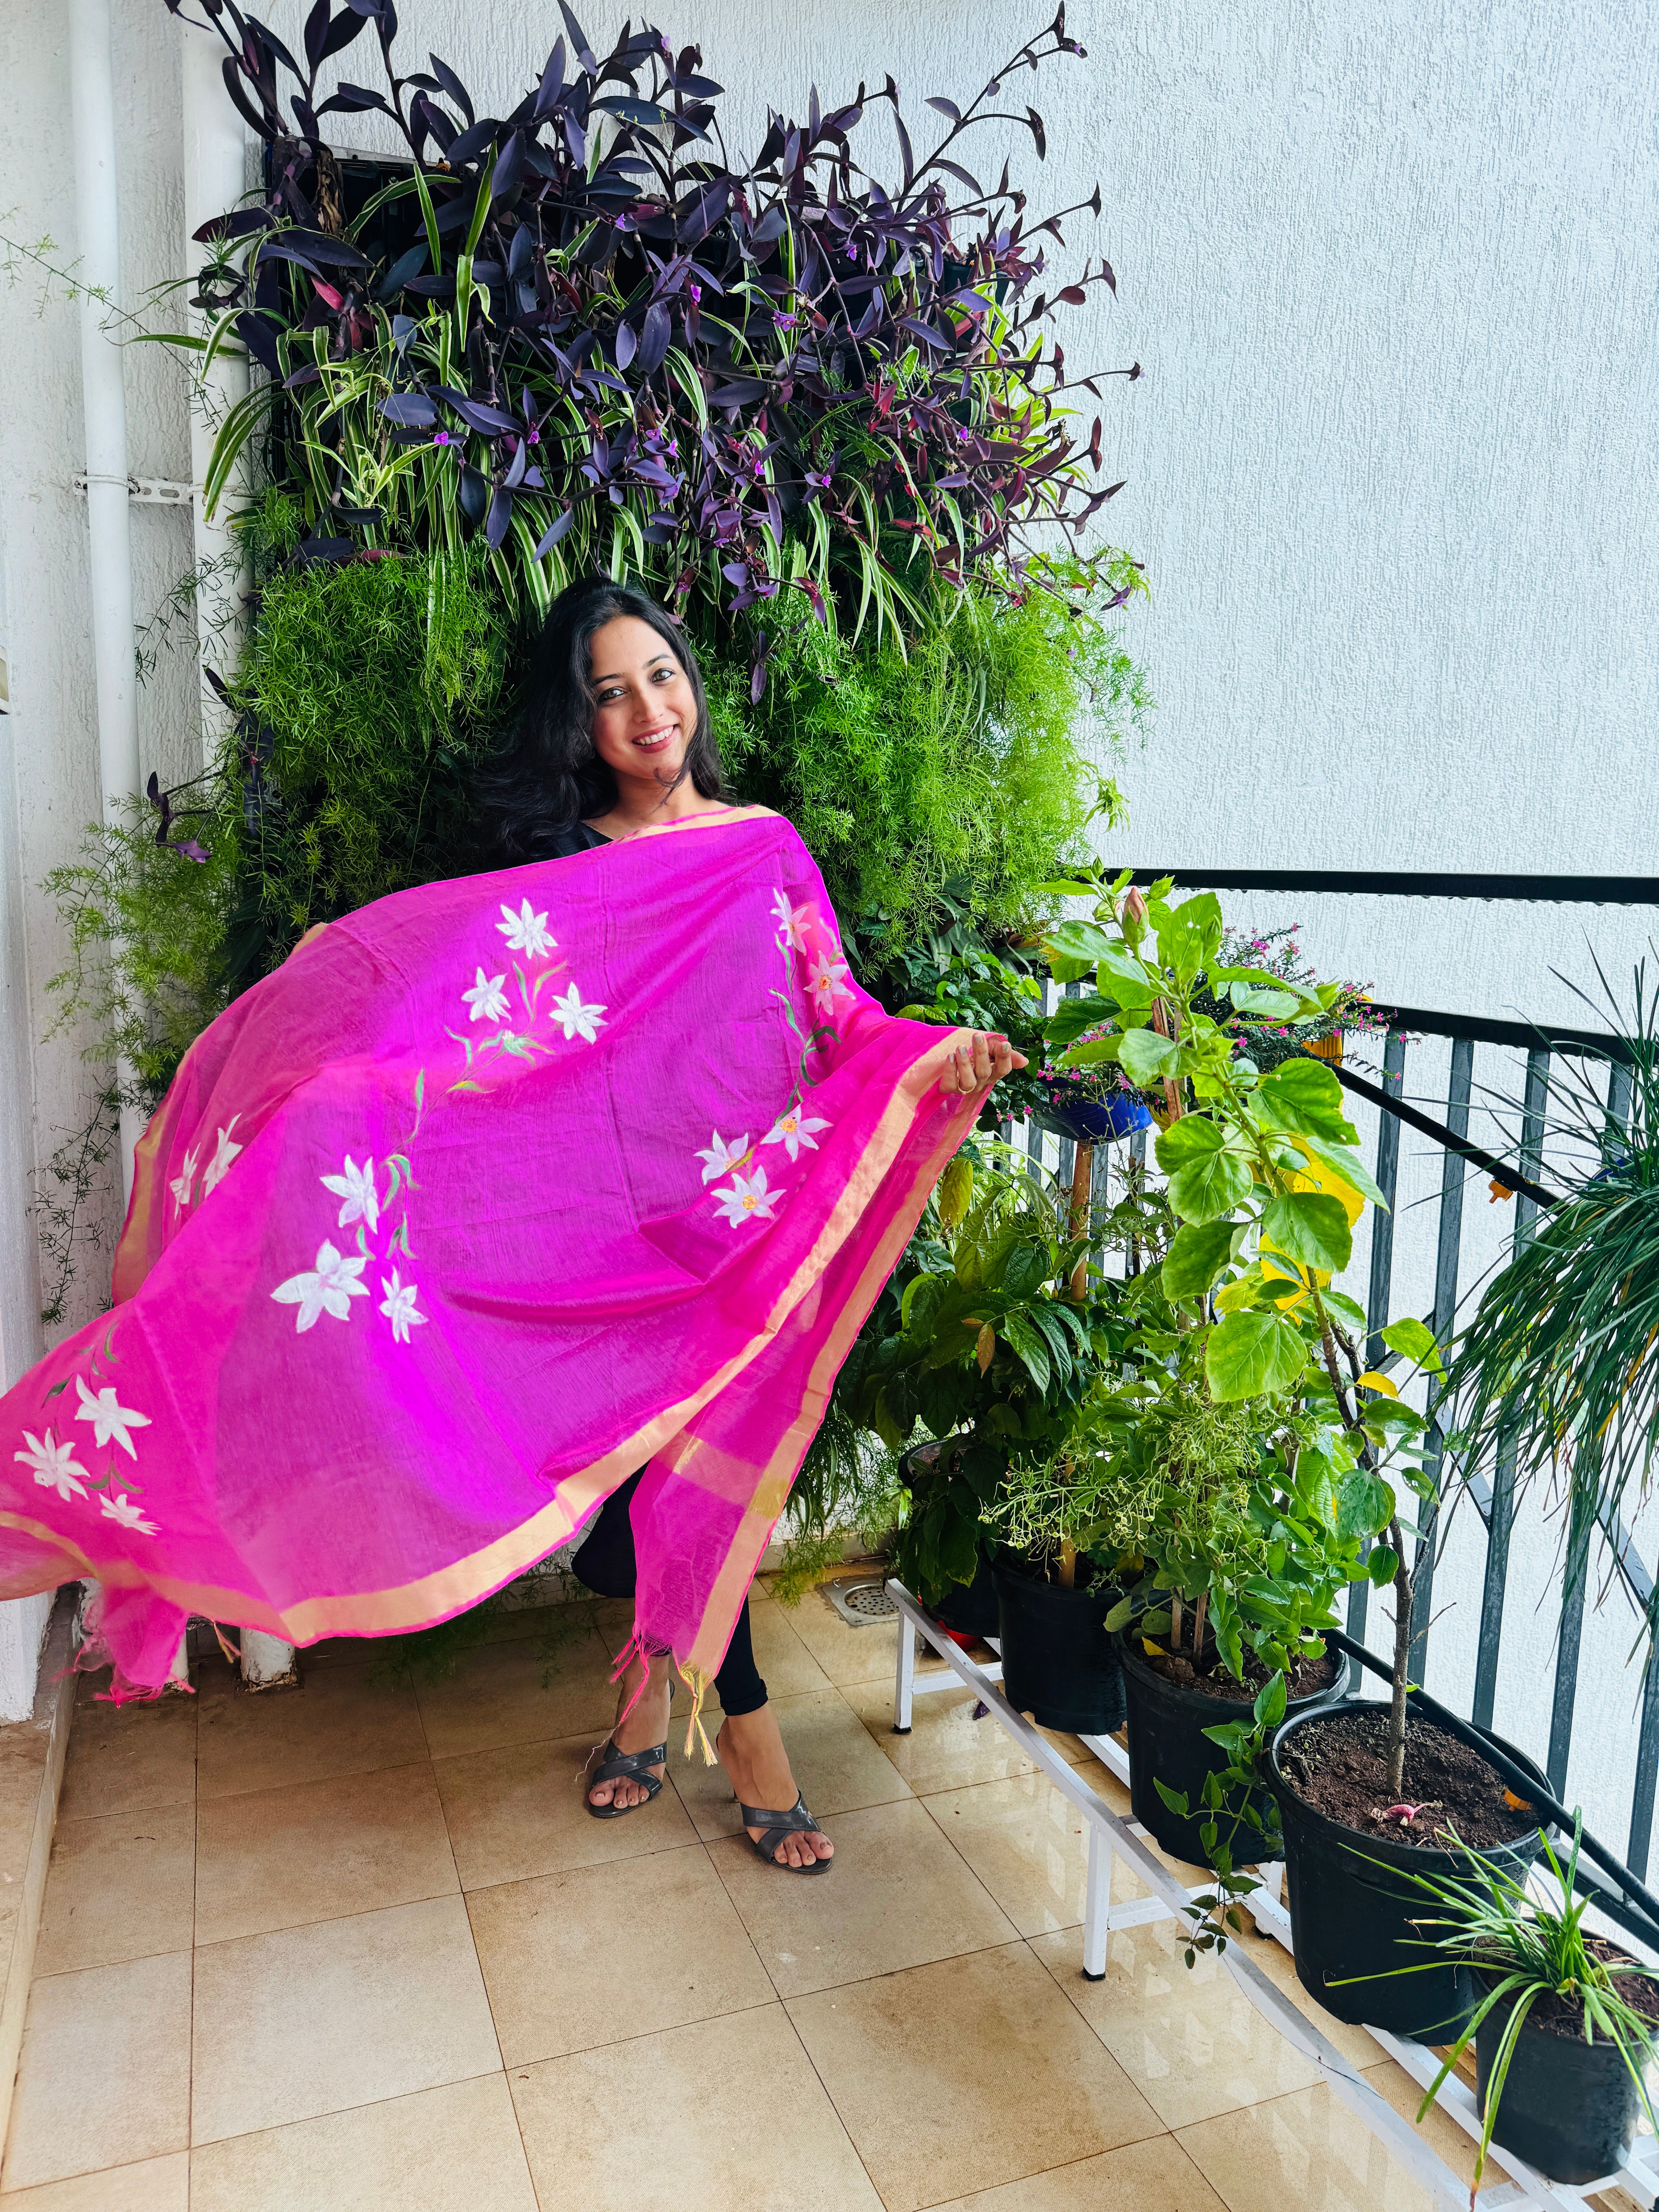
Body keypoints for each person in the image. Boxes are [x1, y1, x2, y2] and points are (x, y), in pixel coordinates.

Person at [479, 579, 1022, 1870]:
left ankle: (691, 1723)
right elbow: (503, 1043)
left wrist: (940, 1055)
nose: (645, 709)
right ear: (579, 721)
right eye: (608, 691)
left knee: (704, 1491)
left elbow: (837, 1014)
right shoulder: (570, 873)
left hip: (745, 1228)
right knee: (622, 1515)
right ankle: (686, 1715)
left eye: (658, 673)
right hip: (612, 1238)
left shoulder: (761, 846)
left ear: (691, 682)